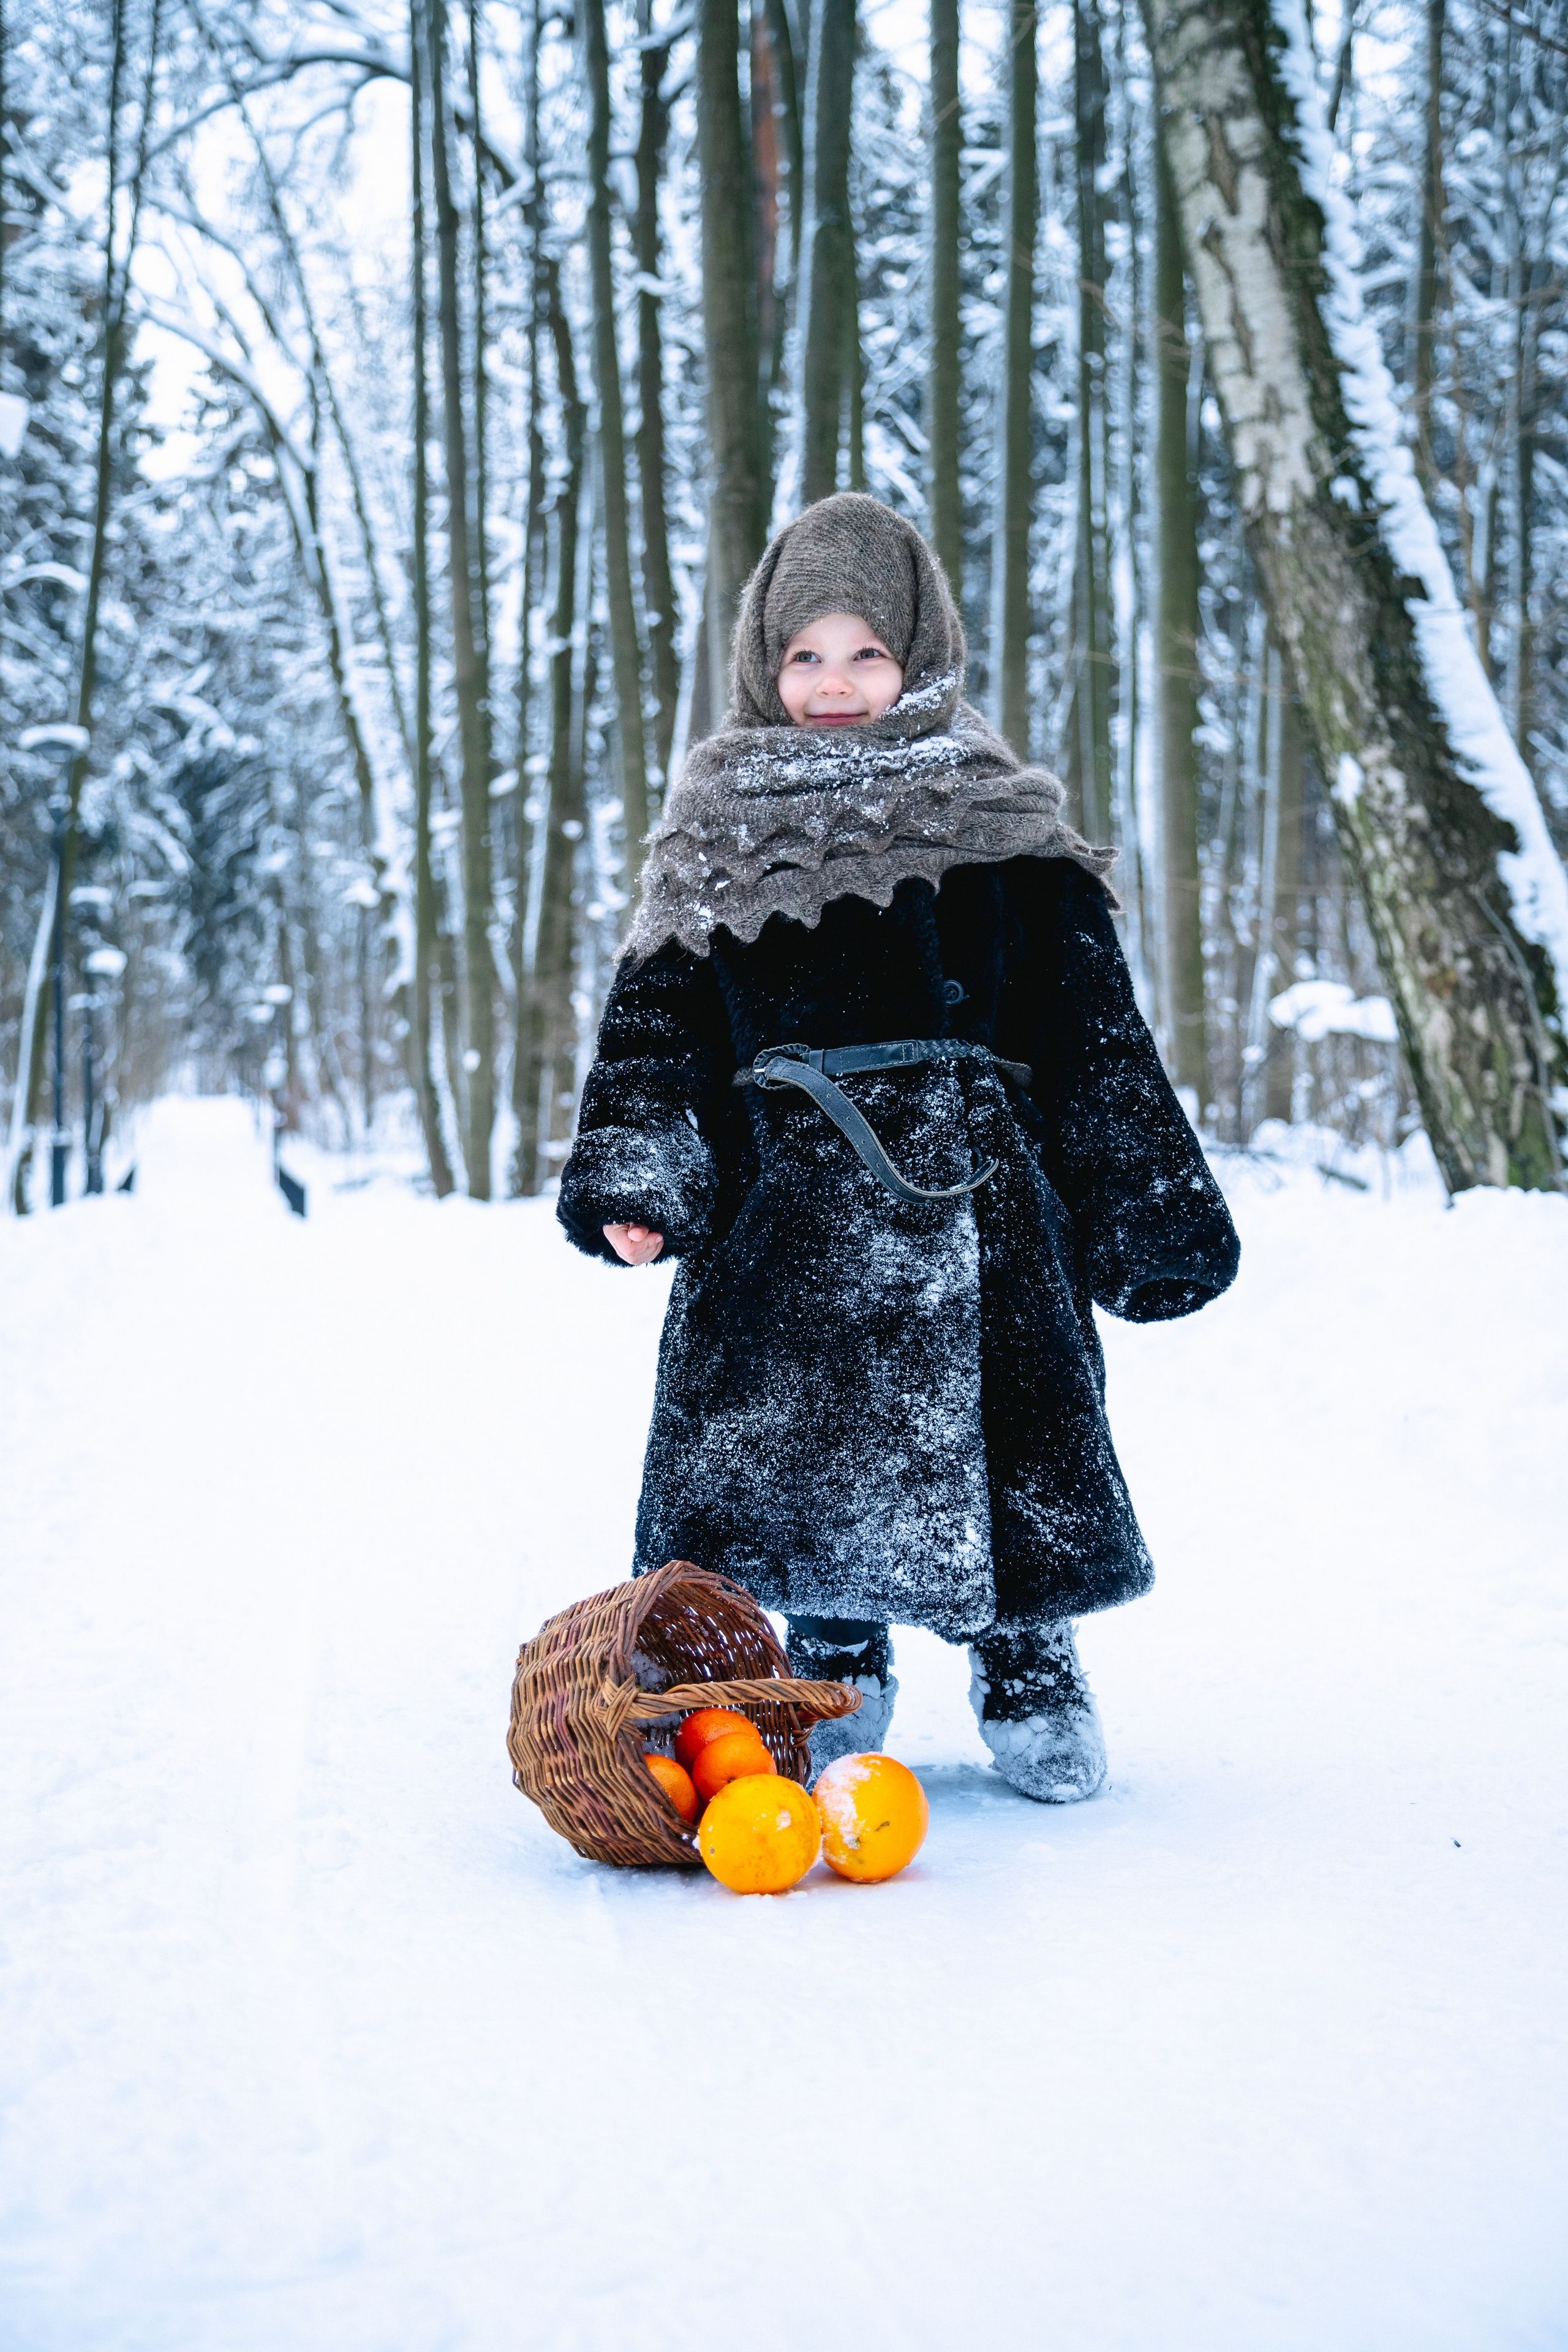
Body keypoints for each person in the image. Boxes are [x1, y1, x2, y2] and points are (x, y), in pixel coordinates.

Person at [557, 492, 1238, 1801]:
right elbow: (658, 1033)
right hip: (783, 1207)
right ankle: (830, 1663)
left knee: (1015, 1435)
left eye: (864, 652)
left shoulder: (999, 819)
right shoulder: (713, 826)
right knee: (800, 1442)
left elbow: (1091, 1031)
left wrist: (1146, 1207)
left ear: (918, 651)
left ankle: (1030, 1665)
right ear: (762, 659)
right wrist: (638, 1177)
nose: (832, 683)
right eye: (805, 654)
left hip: (979, 1198)